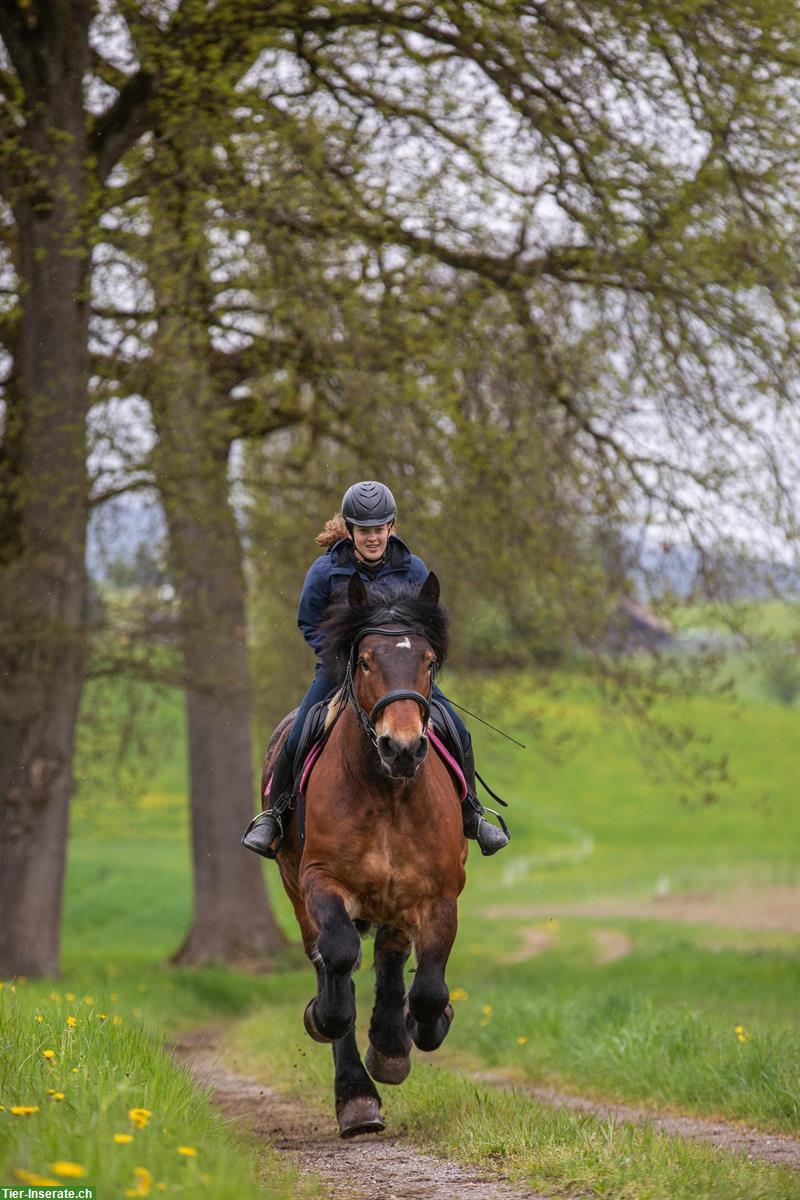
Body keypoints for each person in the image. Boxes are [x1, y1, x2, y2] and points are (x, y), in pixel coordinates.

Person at [241, 480, 509, 858]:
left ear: (390, 527)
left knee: (459, 732)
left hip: (403, 677)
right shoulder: (325, 571)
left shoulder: (413, 569)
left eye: (379, 529)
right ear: (350, 531)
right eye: (364, 530)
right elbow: (307, 622)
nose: (372, 538)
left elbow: (429, 628)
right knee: (298, 733)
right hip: (341, 672)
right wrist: (345, 659)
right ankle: (275, 816)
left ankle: (473, 814)